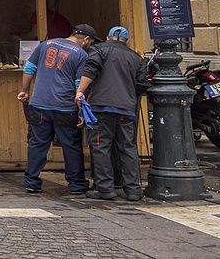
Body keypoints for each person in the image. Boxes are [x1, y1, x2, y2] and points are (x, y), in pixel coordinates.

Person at [18, 23, 100, 194]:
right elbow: (79, 85)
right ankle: (76, 184)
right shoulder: (81, 55)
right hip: (65, 107)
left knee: (37, 144)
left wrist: (25, 90)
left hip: (39, 104)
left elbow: (29, 68)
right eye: (91, 42)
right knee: (70, 146)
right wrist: (81, 111)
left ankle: (31, 181)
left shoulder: (45, 44)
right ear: (86, 39)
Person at [76, 26, 149, 202]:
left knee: (101, 146)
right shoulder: (136, 58)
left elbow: (91, 70)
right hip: (126, 109)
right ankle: (132, 190)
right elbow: (141, 85)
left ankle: (105, 188)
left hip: (101, 107)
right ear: (127, 41)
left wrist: (80, 91)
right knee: (128, 147)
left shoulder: (98, 50)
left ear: (108, 38)